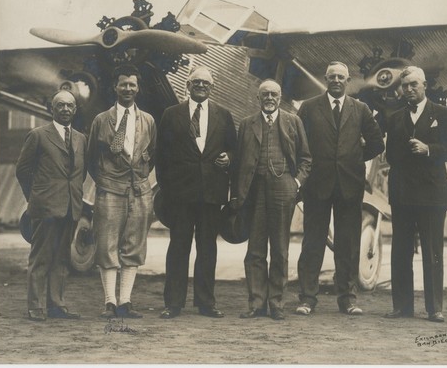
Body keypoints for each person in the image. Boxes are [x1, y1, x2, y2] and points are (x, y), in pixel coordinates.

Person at [295, 61, 384, 316]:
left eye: (340, 77)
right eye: (331, 76)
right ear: (325, 79)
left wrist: (355, 158)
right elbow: (298, 143)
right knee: (312, 243)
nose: (336, 80)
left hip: (349, 185)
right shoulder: (309, 107)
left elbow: (376, 143)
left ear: (348, 81)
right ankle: (307, 299)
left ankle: (347, 298)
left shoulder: (361, 109)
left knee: (347, 244)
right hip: (317, 185)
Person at [156, 66, 237, 319]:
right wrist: (168, 191)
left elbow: (234, 149)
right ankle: (173, 303)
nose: (201, 86)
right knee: (178, 247)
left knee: (207, 248)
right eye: (196, 82)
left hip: (211, 194)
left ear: (212, 87)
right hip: (180, 195)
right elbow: (162, 156)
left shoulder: (223, 115)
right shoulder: (171, 115)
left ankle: (206, 303)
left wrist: (229, 158)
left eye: (206, 83)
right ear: (187, 86)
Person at [383, 66, 447, 323]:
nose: (409, 89)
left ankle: (434, 308)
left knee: (432, 251)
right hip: (403, 194)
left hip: (431, 194)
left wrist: (429, 149)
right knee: (401, 251)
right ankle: (401, 306)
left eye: (414, 84)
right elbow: (392, 156)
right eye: (405, 85)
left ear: (424, 85)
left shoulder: (444, 114)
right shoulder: (395, 118)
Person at [231, 79, 311, 320]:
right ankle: (256, 303)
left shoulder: (293, 121)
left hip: (283, 189)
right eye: (264, 94)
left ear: (280, 97)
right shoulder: (247, 124)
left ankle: (276, 303)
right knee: (255, 249)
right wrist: (237, 193)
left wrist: (295, 183)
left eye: (273, 94)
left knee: (280, 248)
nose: (269, 98)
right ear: (258, 98)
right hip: (254, 191)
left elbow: (306, 158)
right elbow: (239, 162)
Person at [87, 64, 156, 319]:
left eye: (132, 84)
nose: (128, 88)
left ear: (138, 88)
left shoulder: (147, 120)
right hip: (110, 190)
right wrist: (106, 181)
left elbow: (152, 155)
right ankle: (109, 302)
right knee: (107, 244)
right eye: (123, 84)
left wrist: (137, 180)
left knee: (134, 245)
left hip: (139, 191)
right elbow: (91, 157)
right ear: (115, 87)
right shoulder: (101, 120)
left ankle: (125, 301)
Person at [16, 90, 87, 321]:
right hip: (45, 208)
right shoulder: (38, 135)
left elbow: (80, 173)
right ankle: (35, 307)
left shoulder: (80, 138)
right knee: (41, 257)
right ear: (52, 109)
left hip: (71, 207)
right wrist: (35, 198)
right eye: (60, 106)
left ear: (75, 110)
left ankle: (57, 305)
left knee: (62, 258)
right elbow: (23, 170)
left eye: (69, 106)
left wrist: (71, 196)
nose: (65, 109)